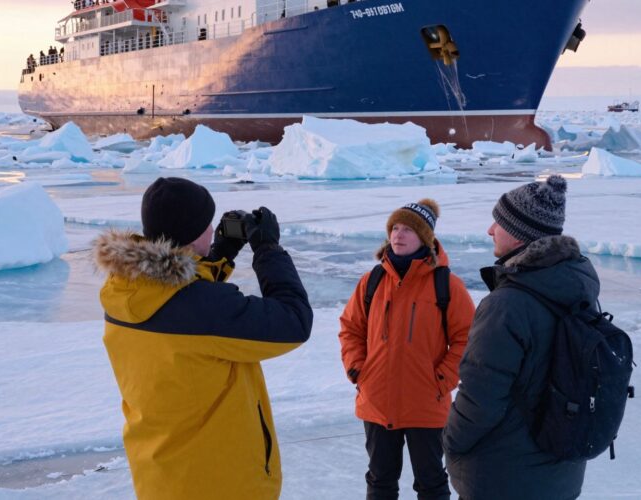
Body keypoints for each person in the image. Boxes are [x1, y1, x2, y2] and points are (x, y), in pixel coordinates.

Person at [94, 177, 313, 499]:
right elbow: (293, 322)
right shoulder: (200, 308)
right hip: (220, 483)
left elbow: (191, 310)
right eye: (206, 225)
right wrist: (268, 251)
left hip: (161, 477)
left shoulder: (125, 288)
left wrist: (222, 252)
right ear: (192, 232)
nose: (211, 230)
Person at [443, 175, 596, 499]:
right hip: (561, 471)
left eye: (498, 222)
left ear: (518, 234)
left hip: (503, 476)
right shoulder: (578, 289)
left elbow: (480, 396)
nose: (490, 230)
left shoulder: (508, 305)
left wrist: (450, 441)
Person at [339, 199, 475, 500]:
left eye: (408, 229)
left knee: (431, 483)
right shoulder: (372, 281)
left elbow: (467, 339)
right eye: (395, 228)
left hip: (425, 403)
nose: (398, 235)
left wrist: (441, 380)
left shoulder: (446, 284)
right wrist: (358, 371)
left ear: (424, 238)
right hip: (377, 401)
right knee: (380, 481)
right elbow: (351, 329)